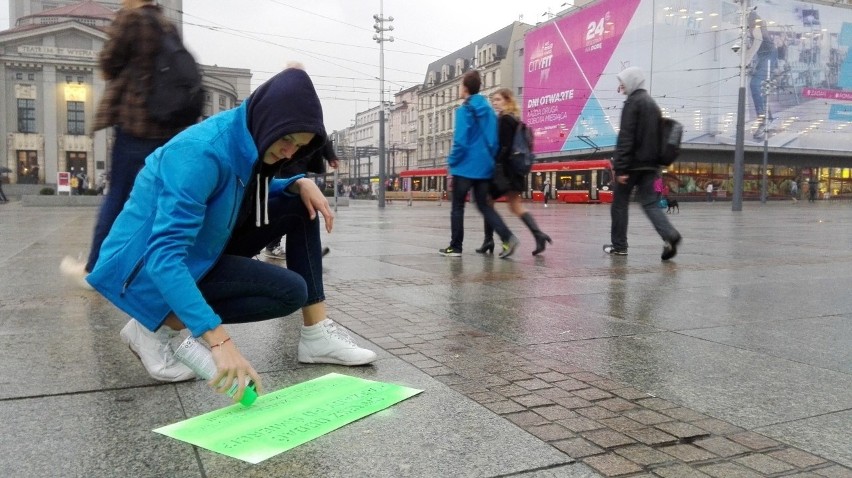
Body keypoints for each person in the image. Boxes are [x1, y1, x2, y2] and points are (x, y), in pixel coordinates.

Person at [85, 66, 377, 398]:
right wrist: (217, 339)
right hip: (143, 271)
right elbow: (164, 256)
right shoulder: (201, 153)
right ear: (268, 119)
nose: (289, 153)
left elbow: (237, 192)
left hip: (203, 246)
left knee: (300, 204)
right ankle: (156, 324)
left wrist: (296, 181)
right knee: (288, 292)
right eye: (286, 140)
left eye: (299, 147)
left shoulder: (247, 135)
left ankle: (316, 336)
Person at [61, 0, 194, 290]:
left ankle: (95, 269)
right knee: (160, 202)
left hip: (135, 128)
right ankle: (160, 268)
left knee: (118, 197)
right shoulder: (166, 24)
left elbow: (108, 62)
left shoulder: (130, 19)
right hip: (167, 128)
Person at [603, 67, 681, 260]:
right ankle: (669, 235)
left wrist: (620, 168)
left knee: (619, 205)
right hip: (651, 167)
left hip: (631, 166)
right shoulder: (652, 104)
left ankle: (619, 246)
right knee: (651, 204)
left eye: (623, 81)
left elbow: (626, 137)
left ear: (631, 81)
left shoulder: (633, 103)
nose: (620, 86)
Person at [438, 70, 519, 259]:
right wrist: (488, 159)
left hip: (464, 167)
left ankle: (455, 247)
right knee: (484, 206)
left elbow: (460, 141)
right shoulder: (489, 111)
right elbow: (494, 141)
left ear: (465, 88)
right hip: (484, 168)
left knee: (458, 206)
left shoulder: (464, 110)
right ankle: (508, 237)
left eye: (460, 85)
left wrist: (452, 162)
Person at [476, 88, 552, 256]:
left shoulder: (504, 120)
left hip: (505, 172)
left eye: (498, 99)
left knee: (486, 202)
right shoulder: (516, 120)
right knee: (516, 206)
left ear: (507, 101)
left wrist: (492, 163)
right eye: (493, 100)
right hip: (516, 172)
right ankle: (539, 235)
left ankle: (495, 240)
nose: (494, 103)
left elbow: (504, 147)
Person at [262, 139, 338, 260]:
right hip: (285, 164)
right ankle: (273, 245)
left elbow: (319, 133)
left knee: (306, 203)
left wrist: (330, 156)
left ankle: (307, 249)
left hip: (301, 162)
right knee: (290, 201)